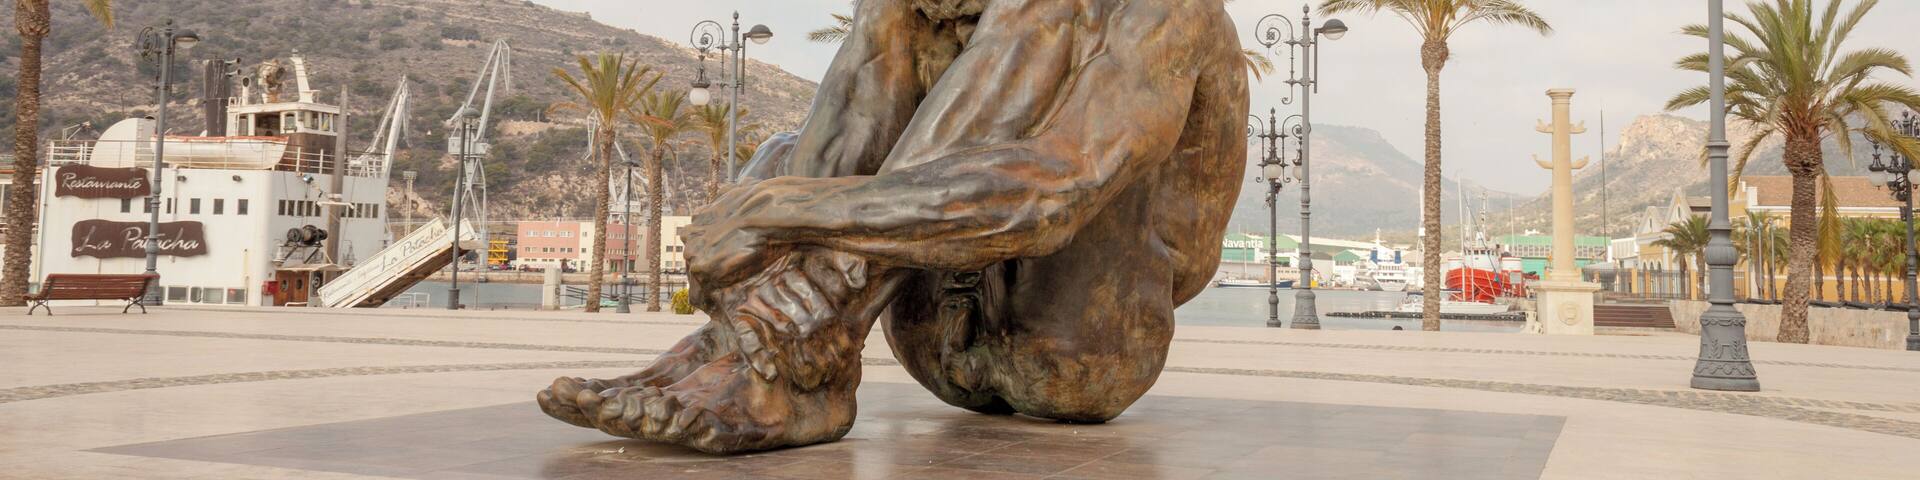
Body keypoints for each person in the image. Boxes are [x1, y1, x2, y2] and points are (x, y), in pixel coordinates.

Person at [538, 0, 1250, 453]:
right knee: (819, 106)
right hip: (930, 340)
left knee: (1042, 15)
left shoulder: (1167, 12)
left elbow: (1055, 193)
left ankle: (787, 341)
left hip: (1078, 357)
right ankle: (762, 353)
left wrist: (770, 210)